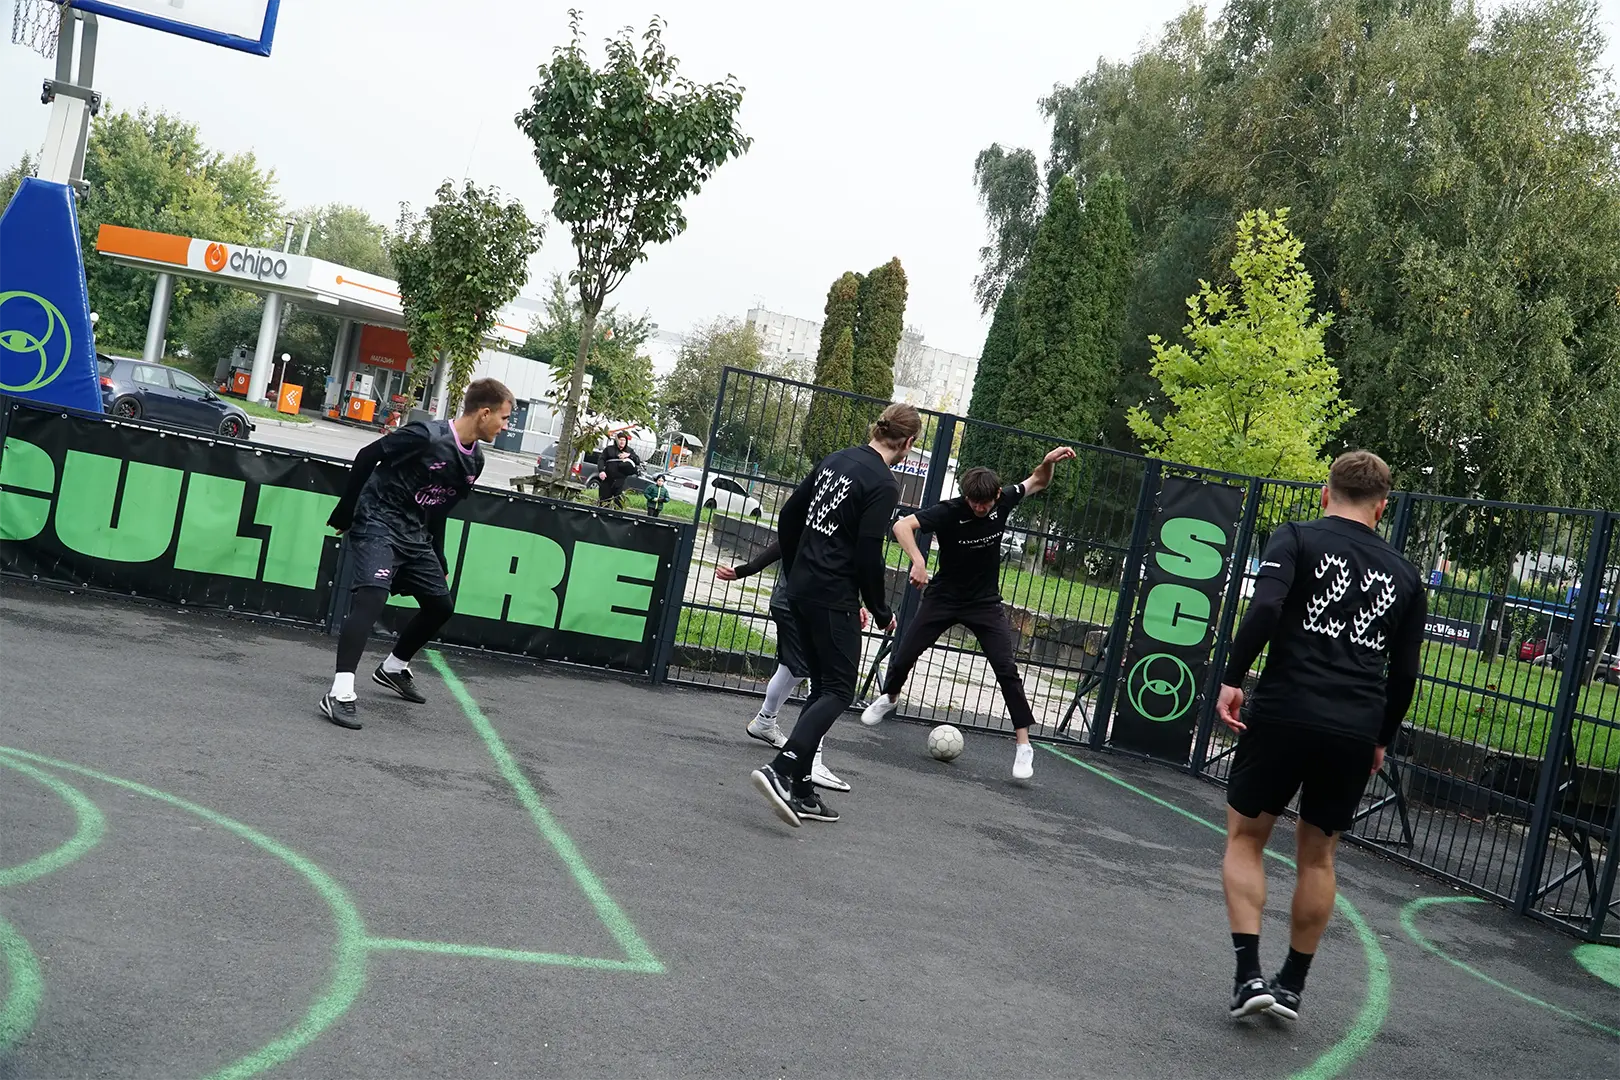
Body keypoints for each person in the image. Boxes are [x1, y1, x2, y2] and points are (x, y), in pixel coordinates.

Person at [1215, 450, 1426, 1020]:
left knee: (1245, 839)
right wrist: (1381, 735)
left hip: (1284, 711)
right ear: (1382, 508)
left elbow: (1263, 610)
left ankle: (1248, 977)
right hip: (1354, 726)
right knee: (1318, 858)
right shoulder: (1406, 576)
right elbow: (1405, 674)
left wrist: (1232, 679)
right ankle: (1290, 986)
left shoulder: (1297, 538)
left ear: (1325, 492)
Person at [749, 403, 921, 826]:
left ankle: (803, 791)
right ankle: (782, 768)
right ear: (909, 443)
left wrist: (796, 565)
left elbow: (790, 514)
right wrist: (880, 610)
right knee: (840, 690)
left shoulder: (836, 459)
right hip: (832, 595)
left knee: (822, 684)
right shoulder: (883, 482)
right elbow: (867, 553)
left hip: (802, 588)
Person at [860, 447, 1076, 779]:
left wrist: (1047, 463)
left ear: (996, 496)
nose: (979, 508)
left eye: (985, 503)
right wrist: (918, 561)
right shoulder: (949, 511)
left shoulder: (1004, 500)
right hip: (943, 597)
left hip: (984, 603)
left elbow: (1038, 481)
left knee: (1006, 668)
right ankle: (889, 696)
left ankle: (1023, 746)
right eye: (973, 502)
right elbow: (902, 526)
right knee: (905, 653)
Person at [319, 378, 515, 730]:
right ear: (484, 412)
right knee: (372, 600)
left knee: (441, 606)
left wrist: (438, 556)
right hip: (377, 519)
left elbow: (439, 506)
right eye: (503, 418)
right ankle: (339, 692)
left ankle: (393, 667)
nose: (505, 426)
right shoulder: (425, 435)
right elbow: (367, 456)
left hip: (414, 533)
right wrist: (346, 510)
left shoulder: (475, 462)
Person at [715, 539, 858, 793]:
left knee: (793, 668)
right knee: (823, 681)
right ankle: (812, 760)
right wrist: (742, 571)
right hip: (802, 604)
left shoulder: (820, 513)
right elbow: (783, 544)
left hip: (791, 601)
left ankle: (764, 723)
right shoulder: (828, 514)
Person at [597, 432, 641, 508]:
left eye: (624, 440)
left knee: (619, 504)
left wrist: (629, 455)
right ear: (617, 440)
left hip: (621, 482)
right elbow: (601, 459)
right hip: (608, 480)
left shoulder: (629, 451)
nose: (622, 442)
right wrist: (601, 471)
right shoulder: (609, 449)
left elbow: (637, 461)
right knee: (603, 503)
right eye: (620, 440)